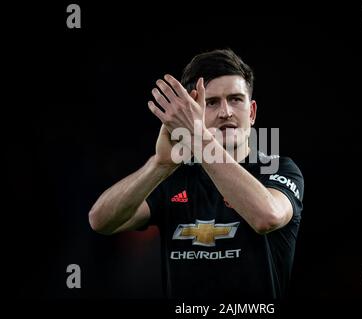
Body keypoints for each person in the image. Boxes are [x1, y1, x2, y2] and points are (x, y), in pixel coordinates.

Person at [88, 49, 304, 299]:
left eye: (235, 99)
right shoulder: (174, 177)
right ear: (195, 112)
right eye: (211, 102)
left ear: (252, 112)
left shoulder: (277, 168)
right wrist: (159, 164)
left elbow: (267, 216)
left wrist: (198, 137)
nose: (226, 112)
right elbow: (100, 221)